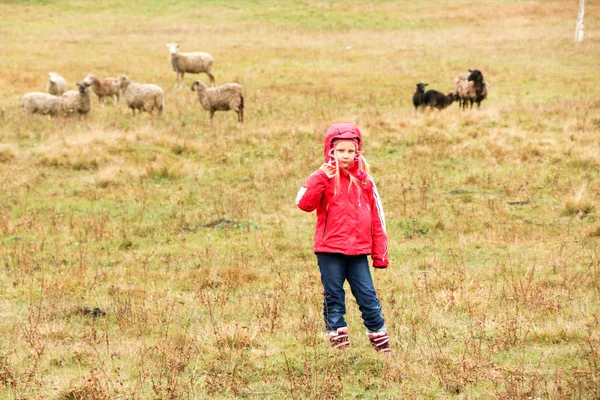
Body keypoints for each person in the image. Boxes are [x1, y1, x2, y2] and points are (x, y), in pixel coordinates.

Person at [296, 123, 392, 354]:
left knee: (368, 297)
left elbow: (377, 218)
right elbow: (304, 204)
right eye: (340, 151)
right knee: (334, 297)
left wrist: (380, 254)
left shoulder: (365, 181)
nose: (345, 156)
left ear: (357, 152)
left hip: (358, 252)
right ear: (330, 151)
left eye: (350, 151)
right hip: (329, 250)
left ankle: (382, 348)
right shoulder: (321, 176)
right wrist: (321, 177)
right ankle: (340, 349)